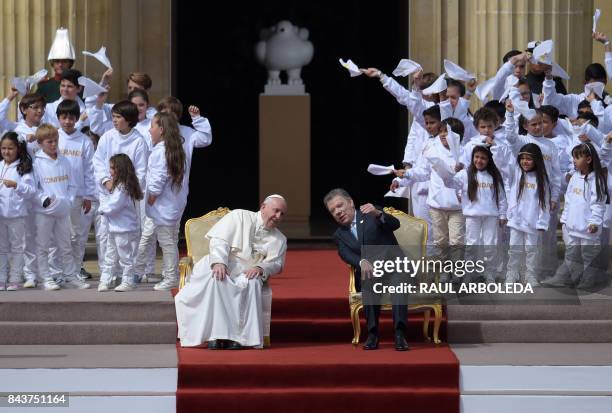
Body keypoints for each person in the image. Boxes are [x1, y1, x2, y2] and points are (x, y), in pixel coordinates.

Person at [175, 195, 288, 350]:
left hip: (247, 271)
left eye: (282, 214)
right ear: (263, 207)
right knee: (218, 278)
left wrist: (261, 268)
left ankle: (240, 339)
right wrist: (219, 261)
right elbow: (219, 240)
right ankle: (216, 335)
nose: (278, 216)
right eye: (276, 211)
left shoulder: (279, 239)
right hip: (223, 261)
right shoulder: (239, 215)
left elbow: (276, 263)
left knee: (253, 282)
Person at [324, 188, 409, 351]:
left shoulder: (370, 213)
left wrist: (378, 213)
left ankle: (399, 334)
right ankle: (373, 334)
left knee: (399, 282)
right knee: (367, 279)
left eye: (340, 205)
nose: (338, 212)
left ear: (350, 203)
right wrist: (361, 261)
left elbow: (395, 224)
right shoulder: (339, 235)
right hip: (371, 273)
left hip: (394, 267)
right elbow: (345, 254)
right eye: (333, 210)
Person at [133, 113, 187, 291]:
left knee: (167, 242)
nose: (150, 130)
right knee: (167, 240)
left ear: (161, 130)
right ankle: (139, 270)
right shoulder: (175, 149)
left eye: (152, 126)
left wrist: (150, 198)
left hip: (163, 207)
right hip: (172, 205)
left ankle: (171, 277)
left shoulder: (160, 152)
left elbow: (157, 181)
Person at [32, 124, 89, 290]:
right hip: (44, 211)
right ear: (40, 143)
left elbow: (72, 184)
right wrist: (45, 200)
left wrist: (68, 201)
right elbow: (35, 189)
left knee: (65, 244)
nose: (53, 144)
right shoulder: (36, 163)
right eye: (49, 141)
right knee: (43, 245)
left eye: (55, 140)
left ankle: (70, 275)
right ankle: (46, 277)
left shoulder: (64, 160)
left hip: (63, 210)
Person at [97, 154, 143, 292]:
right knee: (110, 254)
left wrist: (101, 209)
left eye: (112, 168)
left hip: (124, 229)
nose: (110, 171)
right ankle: (106, 279)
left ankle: (128, 280)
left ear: (120, 169)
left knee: (125, 256)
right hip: (115, 227)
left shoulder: (123, 187)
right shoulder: (120, 185)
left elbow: (114, 206)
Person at [0, 133, 36, 290]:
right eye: (3, 148)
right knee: (1, 248)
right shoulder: (0, 165)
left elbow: (31, 190)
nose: (6, 152)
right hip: (1, 215)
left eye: (10, 148)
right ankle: (1, 278)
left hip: (17, 214)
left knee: (17, 247)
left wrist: (16, 185)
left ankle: (15, 278)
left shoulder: (24, 168)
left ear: (18, 149)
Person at [37, 28, 77, 103]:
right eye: (57, 61)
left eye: (64, 61)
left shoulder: (78, 85)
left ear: (70, 63)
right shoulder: (44, 85)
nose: (60, 64)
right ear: (52, 63)